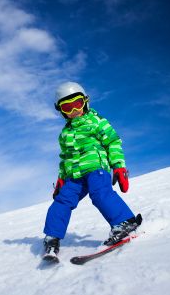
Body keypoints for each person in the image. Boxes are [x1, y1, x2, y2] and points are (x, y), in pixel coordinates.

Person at [43, 82, 142, 256]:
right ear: (61, 111)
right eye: (67, 107)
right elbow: (65, 158)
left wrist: (118, 166)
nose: (74, 110)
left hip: (97, 167)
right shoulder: (64, 134)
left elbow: (113, 142)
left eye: (77, 104)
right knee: (62, 201)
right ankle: (52, 237)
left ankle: (125, 222)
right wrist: (61, 178)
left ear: (86, 102)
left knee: (100, 194)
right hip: (74, 175)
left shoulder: (97, 122)